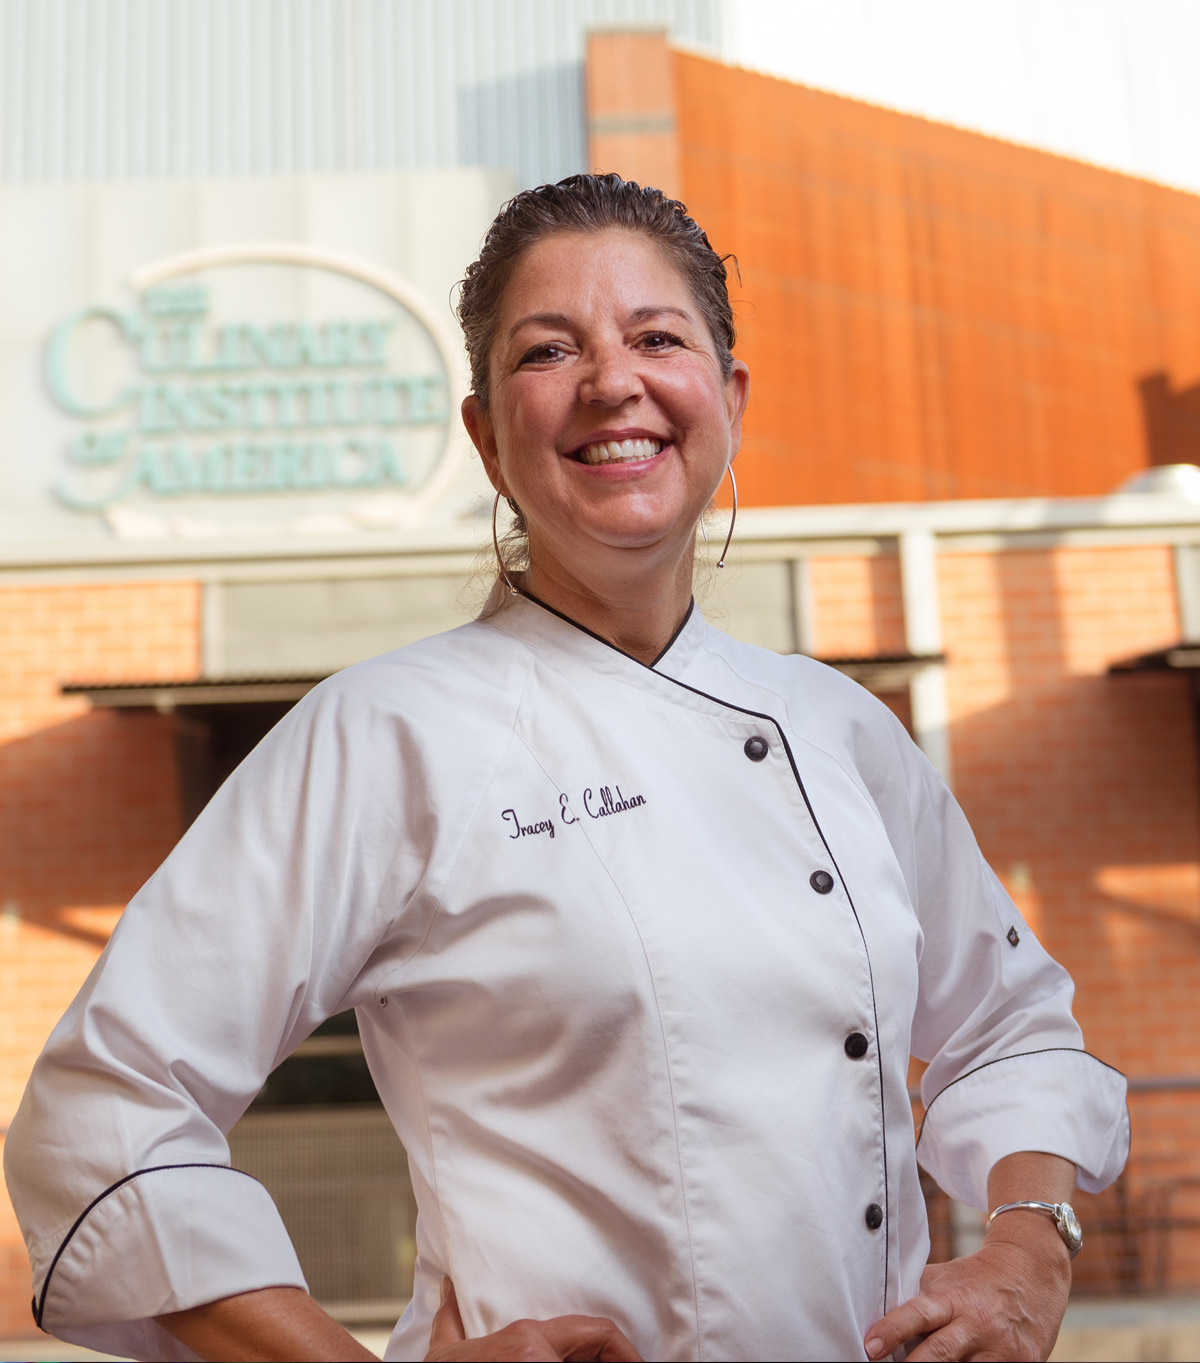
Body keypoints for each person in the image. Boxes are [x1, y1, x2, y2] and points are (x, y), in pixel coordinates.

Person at [5, 174, 1128, 1363]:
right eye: (549, 350)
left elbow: (1014, 1029)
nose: (612, 381)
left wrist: (1027, 1246)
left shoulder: (838, 727)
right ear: (487, 434)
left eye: (657, 336)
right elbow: (100, 1116)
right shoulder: (390, 733)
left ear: (728, 399)